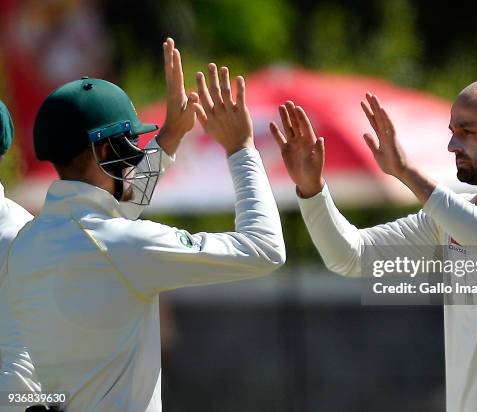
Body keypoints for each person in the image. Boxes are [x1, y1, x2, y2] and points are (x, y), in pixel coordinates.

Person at [2, 38, 285, 411]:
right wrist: (241, 149)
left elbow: (105, 226)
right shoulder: (103, 242)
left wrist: (169, 138)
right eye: (130, 143)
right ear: (104, 151)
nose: (137, 155)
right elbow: (264, 249)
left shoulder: (27, 243)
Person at [270, 78, 477, 412]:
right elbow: (350, 256)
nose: (451, 144)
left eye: (467, 131)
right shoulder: (451, 217)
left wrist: (408, 173)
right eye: (452, 130)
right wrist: (312, 191)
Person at [0, 39, 183, 412]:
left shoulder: (17, 230)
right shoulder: (22, 229)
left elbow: (104, 227)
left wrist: (169, 140)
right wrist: (168, 140)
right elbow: (104, 228)